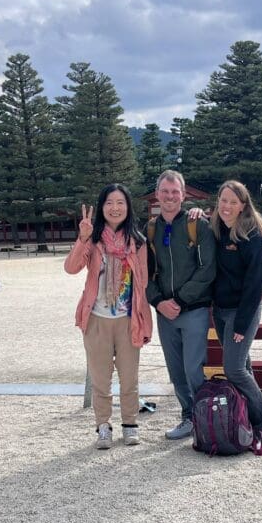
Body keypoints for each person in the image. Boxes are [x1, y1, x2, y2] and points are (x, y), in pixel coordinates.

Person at [65, 184, 152, 449]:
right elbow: (71, 268)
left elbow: (144, 281)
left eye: (120, 203)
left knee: (129, 377)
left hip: (128, 319)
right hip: (97, 319)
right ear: (102, 208)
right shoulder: (93, 240)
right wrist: (82, 238)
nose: (115, 208)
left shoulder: (138, 242)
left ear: (128, 207)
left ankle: (130, 424)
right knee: (101, 379)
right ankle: (103, 425)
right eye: (109, 203)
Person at [146, 170, 217, 440]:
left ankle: (205, 419)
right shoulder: (150, 228)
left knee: (192, 368)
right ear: (157, 194)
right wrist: (158, 301)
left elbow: (208, 268)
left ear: (184, 195)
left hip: (194, 309)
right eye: (165, 191)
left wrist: (179, 299)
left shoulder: (197, 224)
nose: (170, 197)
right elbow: (144, 272)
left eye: (175, 192)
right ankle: (188, 416)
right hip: (165, 313)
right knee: (175, 371)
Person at [210, 180, 262, 454]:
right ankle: (245, 419)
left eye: (233, 202)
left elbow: (256, 282)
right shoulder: (216, 229)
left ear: (243, 206)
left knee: (234, 369)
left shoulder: (252, 235)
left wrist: (242, 322)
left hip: (241, 312)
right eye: (223, 200)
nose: (226, 207)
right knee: (243, 369)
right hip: (220, 310)